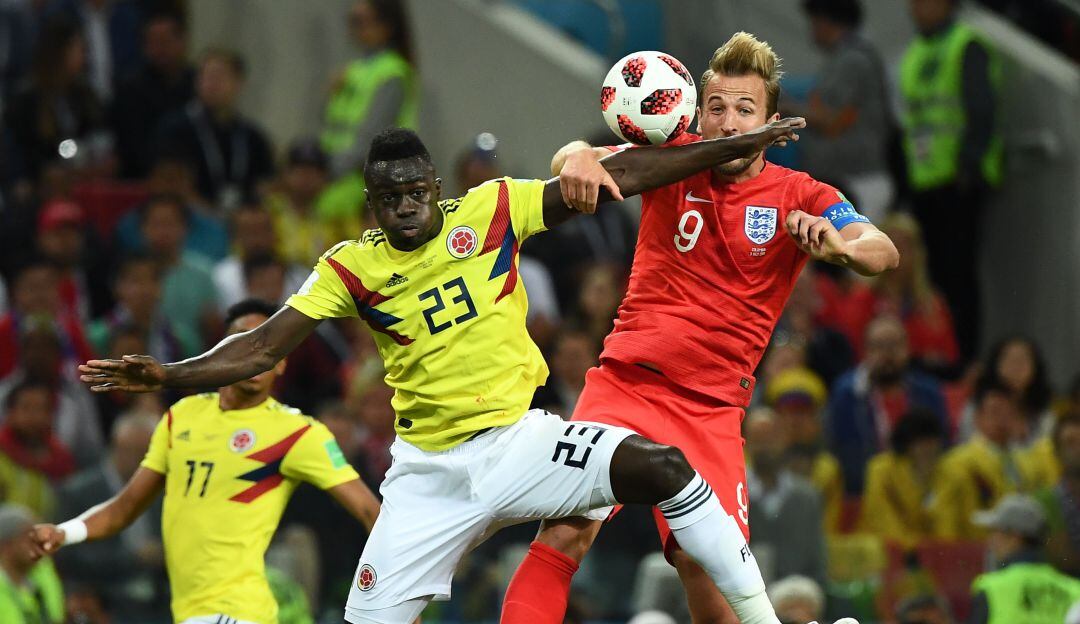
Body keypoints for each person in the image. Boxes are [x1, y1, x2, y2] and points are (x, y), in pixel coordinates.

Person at [75, 123, 808, 624]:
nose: (403, 207)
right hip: (427, 476)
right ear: (372, 201)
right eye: (388, 197)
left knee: (664, 467)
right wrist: (170, 374)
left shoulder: (490, 211)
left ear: (432, 184)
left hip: (520, 443)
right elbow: (264, 347)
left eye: (413, 191)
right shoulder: (351, 266)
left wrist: (728, 147)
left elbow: (624, 173)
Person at [501, 31, 897, 624]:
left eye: (745, 110)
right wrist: (577, 154)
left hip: (711, 412)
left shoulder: (801, 193)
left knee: (707, 576)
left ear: (769, 121)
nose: (729, 122)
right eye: (717, 108)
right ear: (696, 111)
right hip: (624, 386)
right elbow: (578, 158)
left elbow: (882, 249)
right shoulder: (672, 158)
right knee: (563, 535)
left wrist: (842, 246)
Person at [33, 299, 381, 624]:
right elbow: (123, 509)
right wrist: (64, 532)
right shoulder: (182, 416)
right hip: (189, 611)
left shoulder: (298, 433)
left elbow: (371, 512)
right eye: (244, 342)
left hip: (235, 611)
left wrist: (397, 595)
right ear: (221, 351)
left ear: (283, 361)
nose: (255, 356)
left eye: (269, 347)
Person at [900, 0, 1002, 361]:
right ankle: (939, 350)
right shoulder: (913, 53)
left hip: (959, 182)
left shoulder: (965, 43)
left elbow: (981, 108)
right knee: (934, 277)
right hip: (924, 182)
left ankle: (965, 357)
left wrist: (969, 166)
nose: (919, 7)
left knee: (959, 275)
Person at [53, 410, 167, 621]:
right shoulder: (78, 492)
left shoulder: (160, 492)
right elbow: (68, 556)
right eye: (139, 452)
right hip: (103, 599)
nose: (148, 462)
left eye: (150, 453)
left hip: (157, 600)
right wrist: (133, 558)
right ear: (118, 448)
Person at [792, 0, 895, 223]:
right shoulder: (844, 58)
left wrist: (784, 110)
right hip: (847, 181)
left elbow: (830, 119)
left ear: (825, 21)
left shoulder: (852, 60)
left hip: (859, 182)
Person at [826, 315, 948, 494]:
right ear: (866, 352)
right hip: (866, 490)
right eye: (879, 346)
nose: (887, 354)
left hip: (921, 484)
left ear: (907, 348)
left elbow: (943, 443)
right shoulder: (847, 395)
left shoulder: (928, 392)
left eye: (894, 345)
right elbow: (841, 451)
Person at [155, 48, 275, 211]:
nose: (211, 84)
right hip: (191, 221)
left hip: (242, 224)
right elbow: (171, 185)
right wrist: (213, 218)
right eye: (205, 77)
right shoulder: (176, 128)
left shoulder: (253, 137)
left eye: (219, 77)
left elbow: (265, 187)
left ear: (239, 83)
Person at [934, 382, 1046, 539]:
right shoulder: (956, 462)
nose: (1002, 419)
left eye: (1008, 413)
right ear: (977, 418)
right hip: (974, 549)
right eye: (995, 412)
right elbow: (945, 519)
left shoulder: (1028, 462)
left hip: (1017, 545)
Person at [321, 0, 418, 179]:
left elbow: (372, 136)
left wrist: (326, 175)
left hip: (358, 179)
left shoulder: (391, 72)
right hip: (332, 171)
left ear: (386, 26)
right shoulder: (353, 68)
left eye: (362, 21)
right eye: (353, 21)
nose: (355, 29)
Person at [744, 409, 827, 588]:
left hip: (799, 596)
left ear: (784, 440)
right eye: (759, 440)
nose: (765, 447)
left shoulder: (807, 496)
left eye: (771, 439)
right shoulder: (734, 494)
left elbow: (817, 558)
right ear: (746, 444)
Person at [111, 7, 196, 179]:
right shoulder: (130, 88)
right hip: (143, 178)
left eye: (165, 41)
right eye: (153, 43)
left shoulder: (196, 83)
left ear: (182, 41)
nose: (160, 50)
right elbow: (130, 146)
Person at [967, 494, 1080, 623]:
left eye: (995, 531)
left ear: (1015, 537)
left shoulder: (991, 588)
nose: (991, 540)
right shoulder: (1075, 591)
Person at [765, 367, 844, 534]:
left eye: (803, 413)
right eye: (788, 413)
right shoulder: (755, 462)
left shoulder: (827, 469)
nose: (795, 422)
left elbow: (827, 530)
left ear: (816, 420)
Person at [859, 407, 947, 550]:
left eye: (932, 442)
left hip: (925, 554)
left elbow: (944, 526)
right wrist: (914, 548)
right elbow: (883, 520)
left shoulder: (944, 473)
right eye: (922, 442)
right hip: (881, 550)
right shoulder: (881, 469)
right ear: (907, 443)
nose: (928, 448)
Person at [0, 504, 64, 624]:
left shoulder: (43, 570)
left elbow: (56, 617)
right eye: (28, 537)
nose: (38, 543)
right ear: (5, 545)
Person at [1034, 412, 1080, 576]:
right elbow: (1063, 559)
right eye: (1070, 442)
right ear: (1057, 452)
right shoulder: (1045, 500)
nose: (1078, 448)